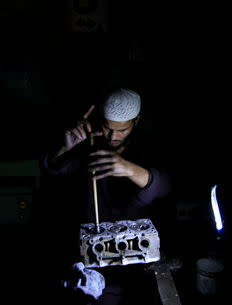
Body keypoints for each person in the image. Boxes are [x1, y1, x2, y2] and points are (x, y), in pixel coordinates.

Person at [40, 88, 171, 304]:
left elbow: (166, 187)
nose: (112, 137)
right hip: (94, 253)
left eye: (122, 130)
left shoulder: (149, 148)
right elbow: (53, 170)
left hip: (135, 257)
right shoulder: (90, 144)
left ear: (136, 121)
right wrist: (64, 147)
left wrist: (130, 169)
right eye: (107, 128)